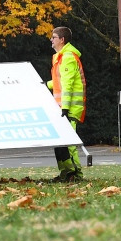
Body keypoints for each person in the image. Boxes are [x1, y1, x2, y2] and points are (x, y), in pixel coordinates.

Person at [48, 26, 86, 181]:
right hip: (63, 106)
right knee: (60, 143)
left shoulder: (68, 57)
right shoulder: (61, 56)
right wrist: (45, 84)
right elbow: (59, 82)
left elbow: (68, 84)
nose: (51, 39)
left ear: (62, 40)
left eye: (54, 37)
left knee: (68, 143)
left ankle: (75, 174)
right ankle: (66, 173)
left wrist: (65, 108)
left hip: (69, 107)